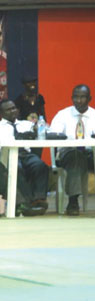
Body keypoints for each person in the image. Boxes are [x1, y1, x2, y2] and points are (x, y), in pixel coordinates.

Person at [0, 99, 49, 215]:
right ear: (1, 113)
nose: (12, 111)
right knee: (16, 168)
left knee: (40, 165)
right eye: (8, 109)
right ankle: (25, 203)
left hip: (26, 154)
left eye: (13, 108)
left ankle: (39, 200)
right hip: (8, 155)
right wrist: (15, 139)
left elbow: (45, 132)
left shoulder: (26, 124)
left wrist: (38, 130)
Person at [50, 84, 95, 216]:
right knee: (76, 156)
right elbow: (53, 135)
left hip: (91, 154)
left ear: (90, 98)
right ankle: (73, 201)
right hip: (68, 154)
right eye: (75, 97)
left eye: (82, 97)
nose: (79, 101)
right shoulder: (63, 115)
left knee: (82, 156)